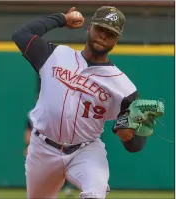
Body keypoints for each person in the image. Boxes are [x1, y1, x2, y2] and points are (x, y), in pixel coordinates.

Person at [12, 6, 164, 199]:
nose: (103, 35)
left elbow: (136, 145)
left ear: (116, 39)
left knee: (95, 193)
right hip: (42, 149)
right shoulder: (54, 56)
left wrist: (128, 137)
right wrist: (61, 19)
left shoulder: (124, 89)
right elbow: (21, 34)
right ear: (89, 28)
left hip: (85, 151)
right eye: (100, 28)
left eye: (110, 33)